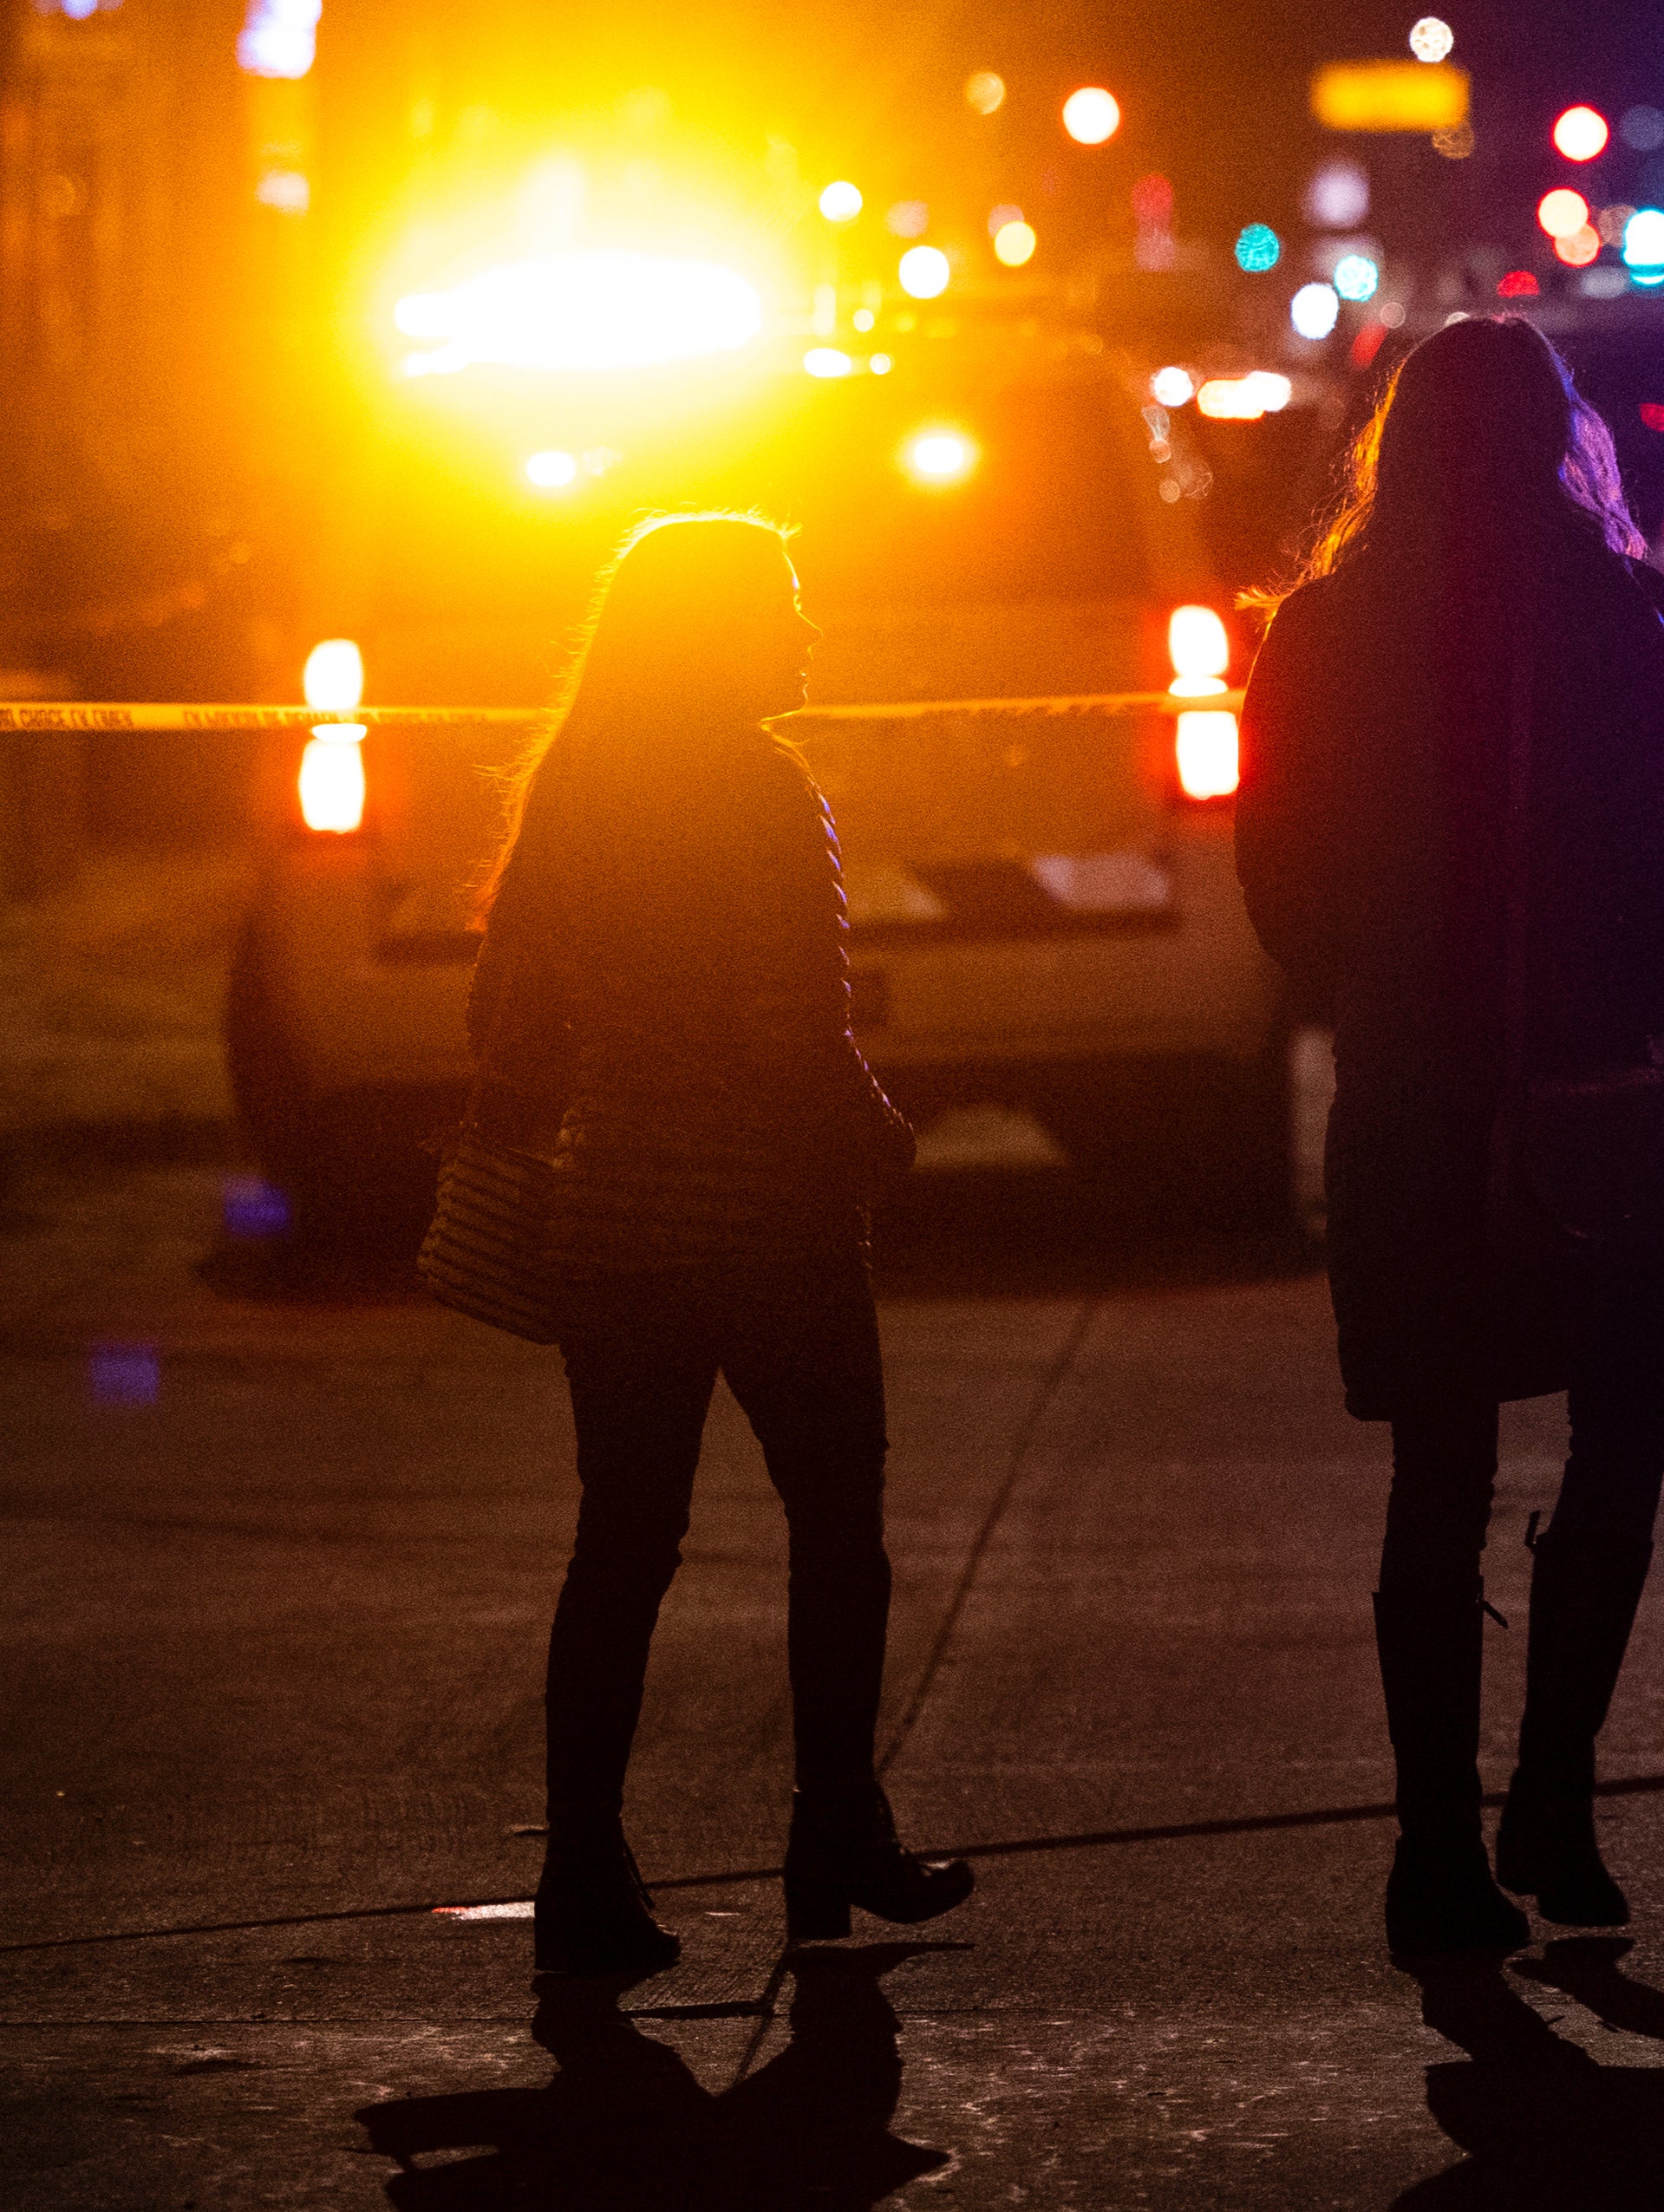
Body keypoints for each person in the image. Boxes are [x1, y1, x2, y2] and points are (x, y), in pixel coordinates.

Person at [1236, 317, 1664, 1955]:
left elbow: (1276, 881)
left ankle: (1431, 1857)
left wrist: (1388, 992)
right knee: (1611, 1447)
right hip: (1591, 1092)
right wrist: (1612, 1010)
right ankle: (1557, 1807)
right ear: (1549, 444)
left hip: (1413, 1096)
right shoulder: (1607, 622)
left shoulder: (1322, 630)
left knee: (1435, 1477)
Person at [465, 512, 972, 1976]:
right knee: (835, 1528)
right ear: (721, 633)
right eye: (785, 607)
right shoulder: (760, 789)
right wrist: (880, 1137)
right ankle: (836, 1827)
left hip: (610, 1217)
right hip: (762, 1220)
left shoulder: (576, 790)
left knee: (622, 1543)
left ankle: (583, 1868)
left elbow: (505, 1017)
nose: (807, 633)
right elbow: (792, 1032)